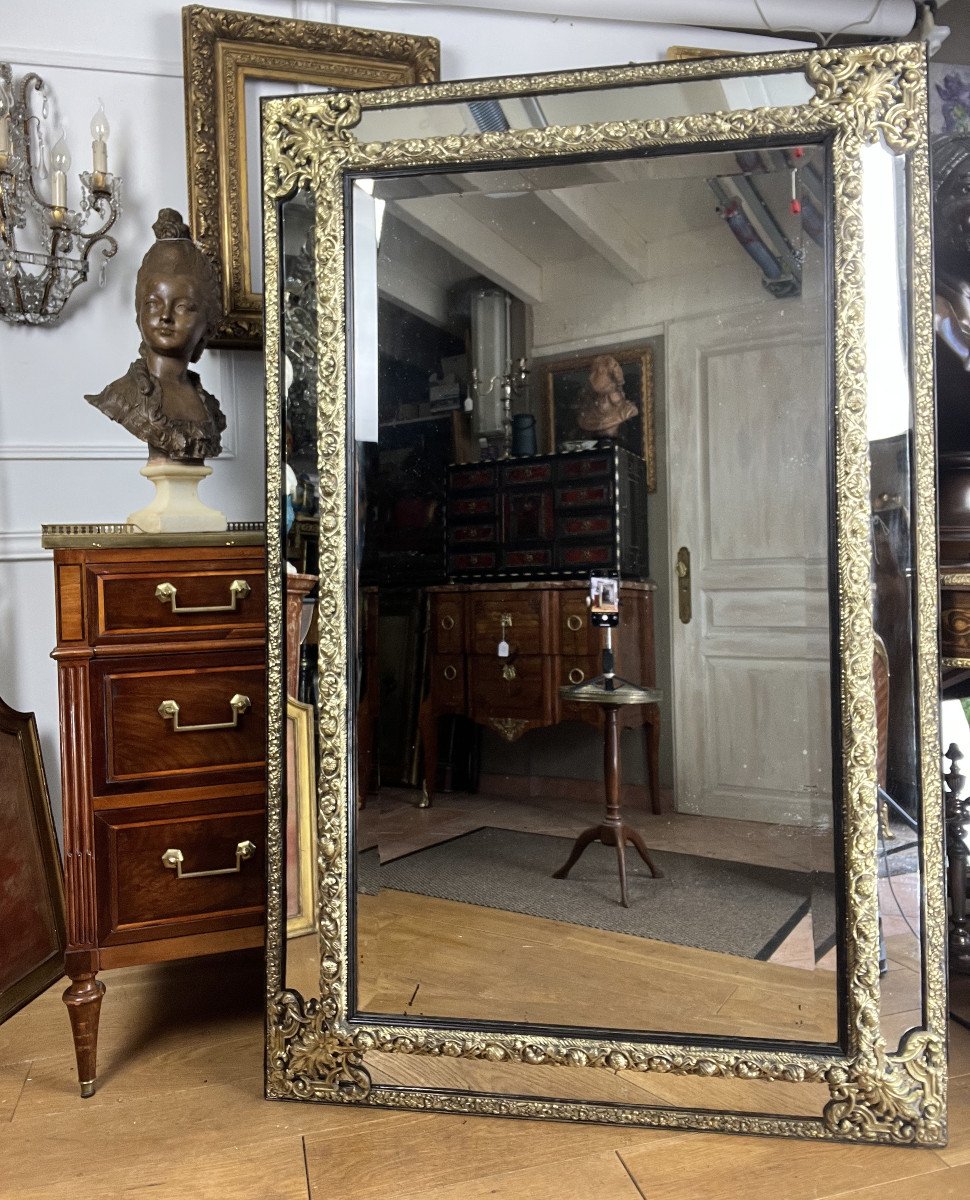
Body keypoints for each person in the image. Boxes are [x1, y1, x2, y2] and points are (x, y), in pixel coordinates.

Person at [86, 208, 226, 462]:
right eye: (153, 303)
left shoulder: (210, 410)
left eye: (182, 306)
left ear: (207, 323)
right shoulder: (122, 397)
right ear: (138, 312)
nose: (165, 316)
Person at [576, 354, 637, 440]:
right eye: (592, 372)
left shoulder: (627, 411)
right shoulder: (587, 415)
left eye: (598, 372)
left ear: (610, 376)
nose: (590, 377)